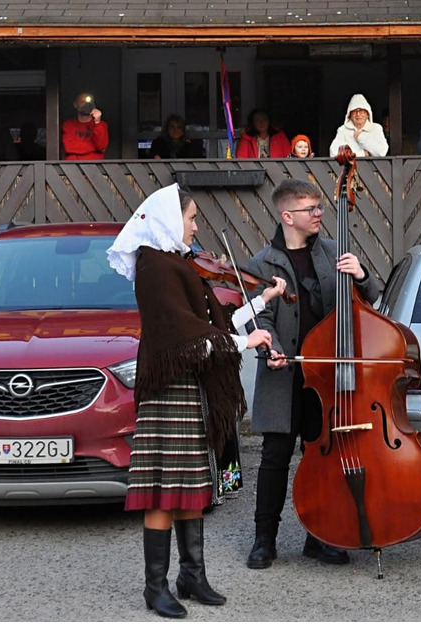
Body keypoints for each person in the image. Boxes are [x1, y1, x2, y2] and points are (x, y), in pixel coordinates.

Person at [106, 184, 271, 617]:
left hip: (189, 387)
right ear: (167, 217)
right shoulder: (156, 268)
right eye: (192, 218)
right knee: (163, 492)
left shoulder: (176, 263)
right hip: (168, 391)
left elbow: (208, 321)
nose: (196, 227)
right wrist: (242, 340)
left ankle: (191, 575)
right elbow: (182, 334)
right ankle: (155, 587)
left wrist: (260, 303)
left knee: (191, 488)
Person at [243, 178, 382, 569]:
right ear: (287, 216)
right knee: (274, 458)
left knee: (321, 458)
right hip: (284, 375)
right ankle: (264, 540)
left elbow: (368, 302)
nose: (320, 214)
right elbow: (259, 317)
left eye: (320, 207)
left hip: (327, 376)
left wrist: (362, 276)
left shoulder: (335, 253)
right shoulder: (262, 263)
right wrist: (271, 350)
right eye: (311, 210)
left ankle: (319, 537)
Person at [62, 92, 109, 160]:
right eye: (82, 102)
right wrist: (93, 147)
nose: (86, 105)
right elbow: (68, 147)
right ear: (75, 104)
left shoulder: (101, 125)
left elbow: (101, 147)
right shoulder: (68, 125)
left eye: (88, 103)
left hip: (95, 167)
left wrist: (97, 122)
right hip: (72, 167)